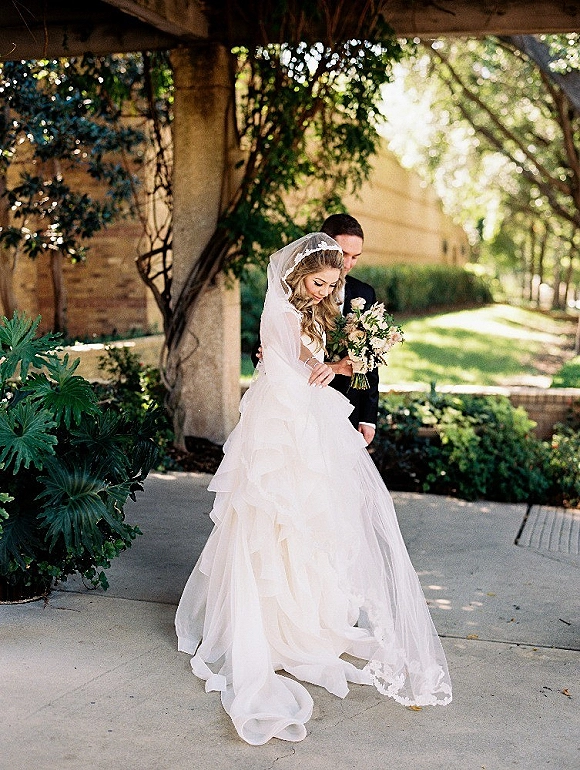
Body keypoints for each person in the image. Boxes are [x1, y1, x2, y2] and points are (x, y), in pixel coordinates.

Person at [175, 233, 451, 746]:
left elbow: (319, 357)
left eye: (332, 284)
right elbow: (295, 363)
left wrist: (359, 355)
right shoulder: (284, 312)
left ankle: (307, 616)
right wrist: (334, 366)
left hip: (306, 411)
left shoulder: (319, 308)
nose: (327, 291)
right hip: (286, 419)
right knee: (278, 514)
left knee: (314, 519)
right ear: (299, 275)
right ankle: (269, 624)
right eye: (319, 283)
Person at [321, 213, 379, 445]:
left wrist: (368, 417)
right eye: (343, 254)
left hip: (349, 407)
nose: (348, 264)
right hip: (304, 402)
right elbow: (265, 348)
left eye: (355, 257)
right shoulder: (299, 290)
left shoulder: (365, 294)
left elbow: (371, 359)